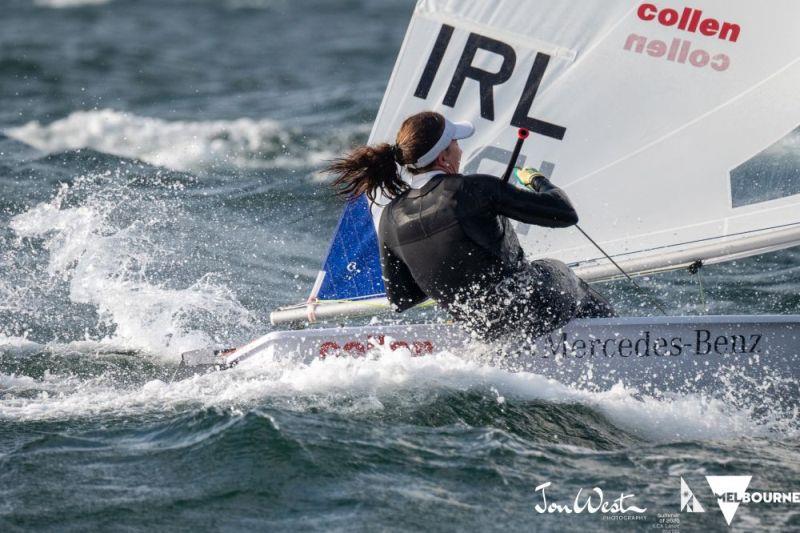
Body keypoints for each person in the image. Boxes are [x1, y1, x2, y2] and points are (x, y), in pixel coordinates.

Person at [327, 111, 614, 341]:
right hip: (530, 308)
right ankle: (619, 338)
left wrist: (456, 284)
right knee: (558, 269)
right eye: (455, 143)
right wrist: (538, 180)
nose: (459, 149)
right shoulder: (473, 189)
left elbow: (402, 297)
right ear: (443, 157)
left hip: (481, 327)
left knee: (495, 304)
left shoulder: (390, 216)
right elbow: (564, 214)